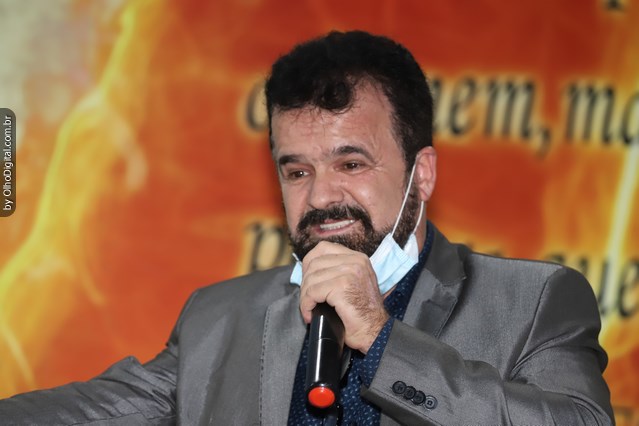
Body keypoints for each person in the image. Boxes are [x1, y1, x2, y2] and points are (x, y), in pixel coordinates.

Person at [0, 30, 613, 425]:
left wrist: (380, 336)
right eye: (297, 171)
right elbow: (94, 412)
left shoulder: (532, 301)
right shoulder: (219, 318)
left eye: (351, 164)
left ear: (421, 174)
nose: (320, 197)